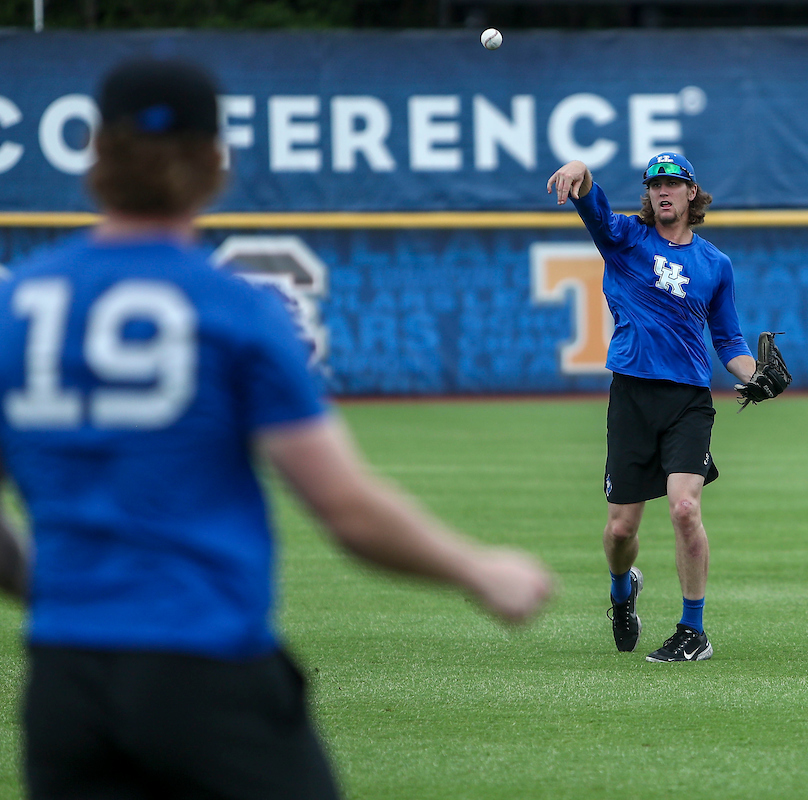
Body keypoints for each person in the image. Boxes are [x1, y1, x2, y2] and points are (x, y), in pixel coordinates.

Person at [0, 58, 553, 800]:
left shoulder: (20, 306)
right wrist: (479, 570)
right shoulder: (232, 311)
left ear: (94, 155)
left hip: (65, 680)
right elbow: (346, 510)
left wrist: (42, 583)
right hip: (205, 672)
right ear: (213, 163)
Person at [546, 153, 758, 663]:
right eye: (655, 183)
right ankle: (622, 590)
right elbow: (592, 206)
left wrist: (758, 377)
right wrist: (580, 166)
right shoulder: (624, 240)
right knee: (621, 530)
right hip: (632, 398)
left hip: (687, 401)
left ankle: (694, 630)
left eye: (673, 182)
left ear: (691, 194)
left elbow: (729, 341)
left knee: (685, 508)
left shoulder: (715, 264)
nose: (663, 190)